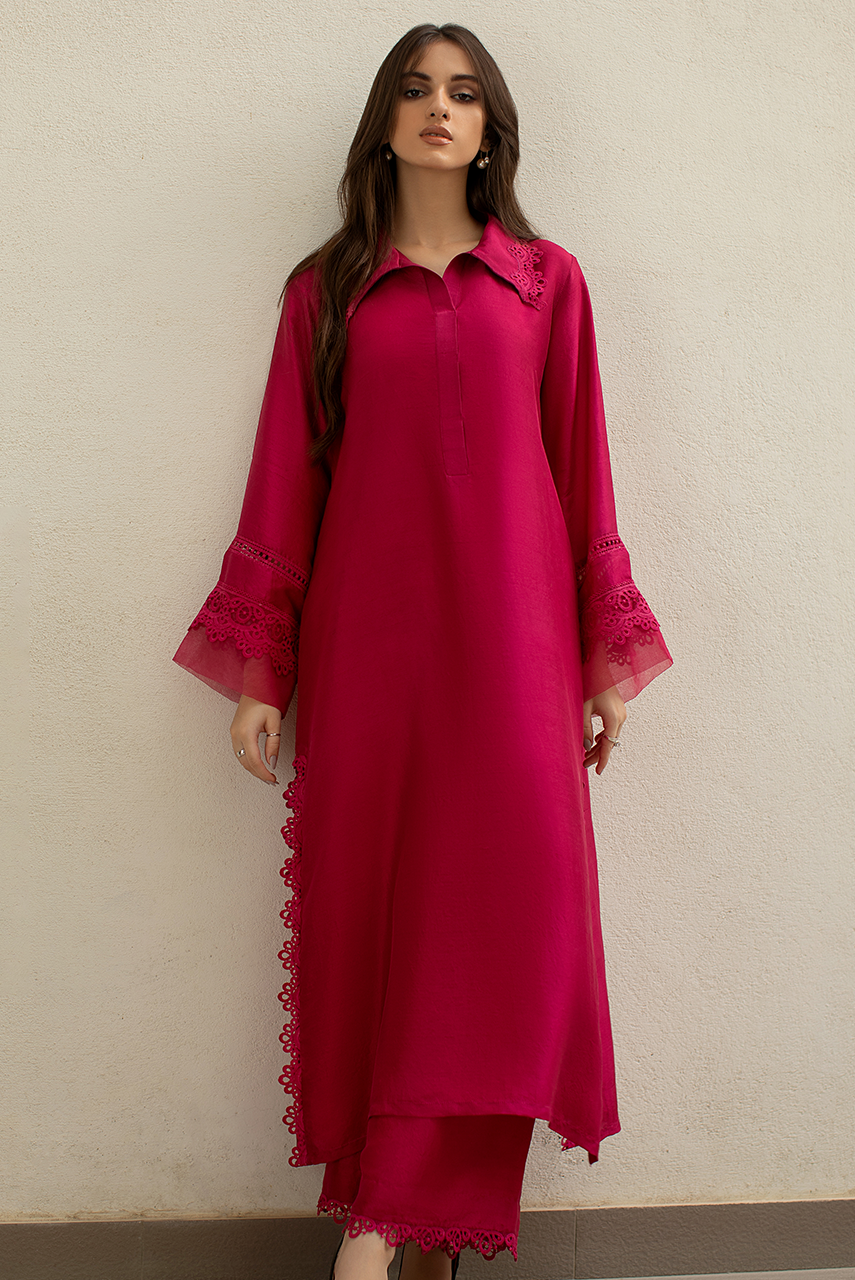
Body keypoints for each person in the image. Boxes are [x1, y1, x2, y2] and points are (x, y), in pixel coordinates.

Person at [173, 22, 672, 1280]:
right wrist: (264, 673)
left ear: (492, 127)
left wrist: (603, 656)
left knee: (502, 921)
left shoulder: (547, 283)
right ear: (383, 122)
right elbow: (286, 479)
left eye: (462, 93)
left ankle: (382, 1233)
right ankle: (402, 1233)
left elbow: (582, 468)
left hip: (516, 650)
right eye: (414, 90)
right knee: (386, 923)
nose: (439, 109)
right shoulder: (327, 291)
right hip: (373, 654)